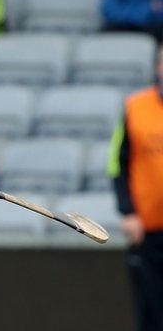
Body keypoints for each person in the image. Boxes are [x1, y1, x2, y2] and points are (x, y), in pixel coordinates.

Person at [109, 45, 163, 331]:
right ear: (158, 67)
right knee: (150, 313)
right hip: (148, 231)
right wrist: (127, 212)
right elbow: (117, 165)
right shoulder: (136, 107)